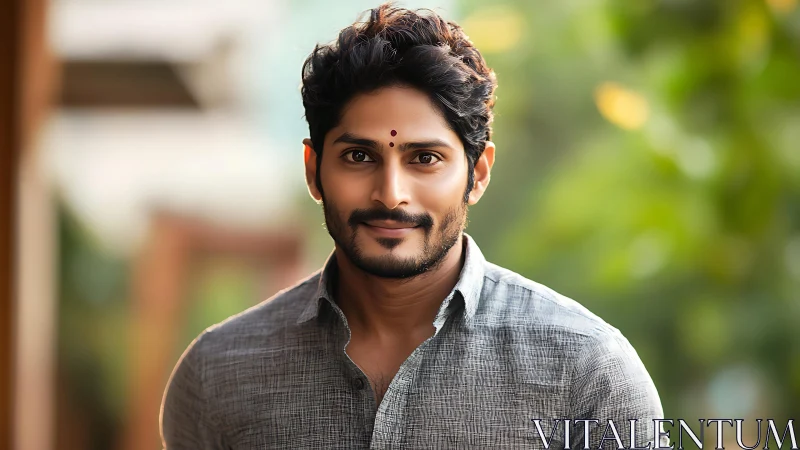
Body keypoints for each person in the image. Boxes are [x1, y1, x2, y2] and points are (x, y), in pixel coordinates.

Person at [161, 3, 667, 449]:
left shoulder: (586, 372)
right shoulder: (218, 375)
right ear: (314, 170)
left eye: (424, 158)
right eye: (359, 156)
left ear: (478, 174)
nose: (391, 193)